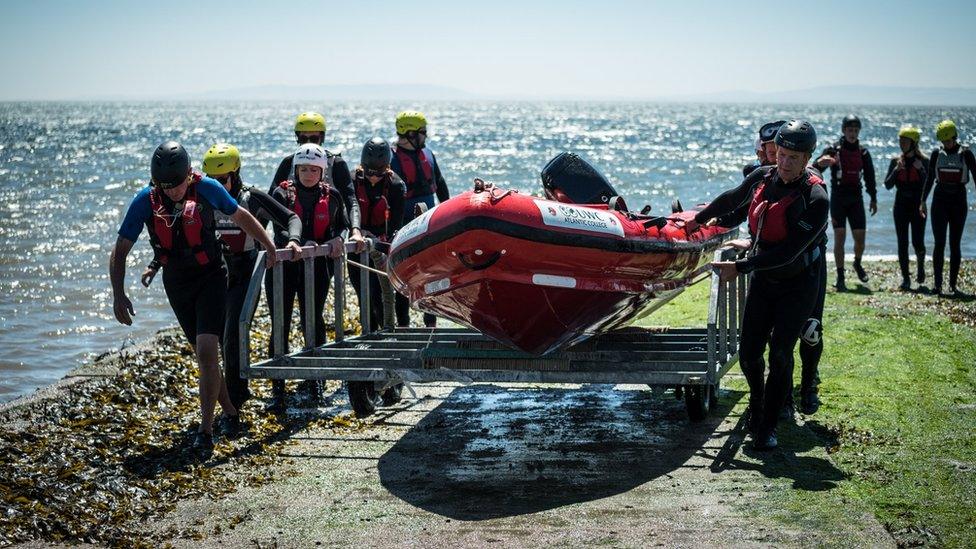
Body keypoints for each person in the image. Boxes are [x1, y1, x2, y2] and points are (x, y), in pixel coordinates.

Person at [110, 141, 278, 459]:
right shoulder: (144, 200)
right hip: (176, 282)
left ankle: (205, 431)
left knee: (206, 349)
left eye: (178, 184)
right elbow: (120, 249)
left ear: (190, 173)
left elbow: (240, 215)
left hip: (212, 275)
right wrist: (118, 294)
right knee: (205, 357)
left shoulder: (208, 188)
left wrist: (266, 243)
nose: (173, 192)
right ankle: (231, 412)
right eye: (166, 186)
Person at [689, 120, 829, 449]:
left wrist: (740, 267)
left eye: (793, 157)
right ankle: (758, 399)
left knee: (780, 354)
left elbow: (788, 251)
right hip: (765, 279)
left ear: (808, 157)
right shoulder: (763, 177)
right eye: (780, 154)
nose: (783, 163)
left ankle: (767, 426)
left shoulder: (816, 198)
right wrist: (697, 220)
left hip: (798, 283)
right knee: (750, 354)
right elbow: (731, 200)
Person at [199, 143, 303, 416]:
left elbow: (291, 218)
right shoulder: (199, 199)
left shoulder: (252, 198)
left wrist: (292, 241)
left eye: (222, 180)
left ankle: (235, 400)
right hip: (216, 272)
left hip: (247, 272)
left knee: (233, 331)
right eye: (211, 181)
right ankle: (232, 391)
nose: (217, 187)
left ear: (236, 174)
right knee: (214, 336)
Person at [266, 143, 348, 410]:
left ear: (322, 171)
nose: (308, 174)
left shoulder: (333, 196)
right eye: (303, 169)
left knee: (313, 322)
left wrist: (337, 239)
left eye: (314, 169)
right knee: (281, 324)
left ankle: (316, 385)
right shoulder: (281, 194)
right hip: (285, 270)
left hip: (317, 270)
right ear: (296, 170)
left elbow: (341, 225)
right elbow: (278, 231)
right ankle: (278, 390)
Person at [269, 111, 365, 251]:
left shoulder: (336, 164)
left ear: (322, 137)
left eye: (313, 138)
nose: (308, 143)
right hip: (291, 245)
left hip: (323, 243)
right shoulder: (288, 163)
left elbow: (351, 200)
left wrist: (355, 230)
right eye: (303, 138)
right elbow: (269, 205)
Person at [390, 111, 450, 327]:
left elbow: (440, 184)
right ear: (410, 133)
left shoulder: (428, 154)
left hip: (428, 223)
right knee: (403, 276)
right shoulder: (392, 157)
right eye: (423, 133)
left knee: (431, 275)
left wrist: (447, 215)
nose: (426, 137)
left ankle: (430, 323)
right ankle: (403, 324)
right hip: (403, 224)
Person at [348, 137, 407, 329]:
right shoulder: (352, 181)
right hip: (357, 246)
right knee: (364, 294)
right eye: (369, 173)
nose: (373, 178)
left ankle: (396, 329)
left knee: (383, 294)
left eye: (379, 173)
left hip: (382, 247)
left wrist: (382, 244)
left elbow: (397, 224)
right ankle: (370, 332)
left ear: (388, 168)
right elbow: (344, 211)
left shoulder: (396, 186)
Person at [813, 115, 877, 290]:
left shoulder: (863, 152)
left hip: (856, 198)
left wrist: (873, 198)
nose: (853, 133)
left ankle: (857, 263)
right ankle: (841, 276)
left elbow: (870, 177)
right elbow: (814, 168)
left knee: (860, 240)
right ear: (843, 130)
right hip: (838, 199)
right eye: (850, 130)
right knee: (839, 238)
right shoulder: (834, 150)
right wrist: (820, 163)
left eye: (856, 131)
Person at [921, 120, 976, 295]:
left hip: (959, 200)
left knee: (955, 243)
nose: (947, 144)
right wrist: (922, 201)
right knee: (939, 243)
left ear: (955, 137)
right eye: (944, 141)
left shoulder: (966, 154)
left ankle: (953, 286)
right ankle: (938, 285)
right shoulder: (937, 154)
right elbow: (930, 178)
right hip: (940, 200)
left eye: (949, 141)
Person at [883, 127, 928, 290]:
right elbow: (887, 185)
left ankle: (921, 268)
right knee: (902, 243)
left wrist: (920, 170)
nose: (901, 144)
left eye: (905, 141)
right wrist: (897, 170)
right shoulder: (896, 161)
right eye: (900, 141)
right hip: (900, 207)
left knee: (918, 242)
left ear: (914, 143)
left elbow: (928, 185)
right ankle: (906, 279)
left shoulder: (924, 162)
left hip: (918, 207)